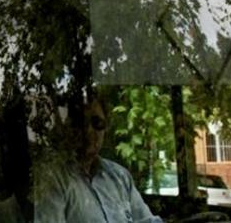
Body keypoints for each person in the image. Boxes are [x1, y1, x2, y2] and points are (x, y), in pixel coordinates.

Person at [35, 93, 162, 223]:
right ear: (69, 127)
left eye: (97, 123)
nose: (89, 131)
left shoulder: (120, 177)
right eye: (81, 123)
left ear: (105, 128)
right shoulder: (54, 179)